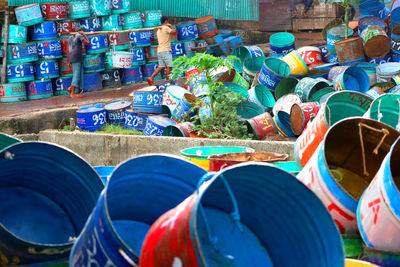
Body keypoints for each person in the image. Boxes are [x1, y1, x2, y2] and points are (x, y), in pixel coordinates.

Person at [147, 16, 177, 86]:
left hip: (160, 51)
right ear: (166, 21)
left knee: (161, 66)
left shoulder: (158, 30)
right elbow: (174, 32)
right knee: (169, 66)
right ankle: (168, 82)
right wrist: (171, 26)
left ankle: (151, 77)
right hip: (166, 50)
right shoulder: (166, 28)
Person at [67, 25, 91, 98]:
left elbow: (67, 50)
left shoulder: (70, 38)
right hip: (77, 58)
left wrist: (68, 61)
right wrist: (84, 34)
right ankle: (72, 92)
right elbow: (88, 43)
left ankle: (74, 90)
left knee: (78, 74)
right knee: (77, 75)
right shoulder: (79, 36)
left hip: (72, 58)